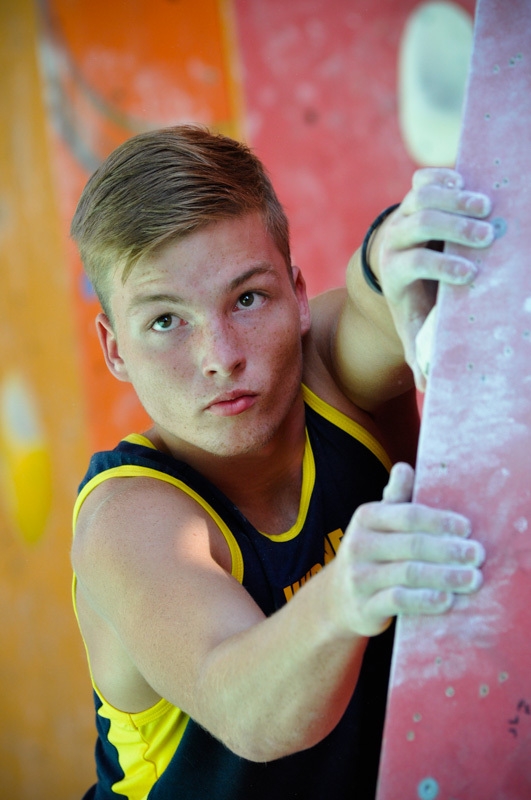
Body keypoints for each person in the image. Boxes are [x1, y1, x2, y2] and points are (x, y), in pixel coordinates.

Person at [70, 126, 493, 800]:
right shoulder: (127, 521)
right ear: (114, 347)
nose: (221, 355)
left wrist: (393, 249)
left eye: (246, 298)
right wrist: (345, 593)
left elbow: (377, 300)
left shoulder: (325, 372)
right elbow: (243, 707)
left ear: (296, 294)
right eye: (164, 321)